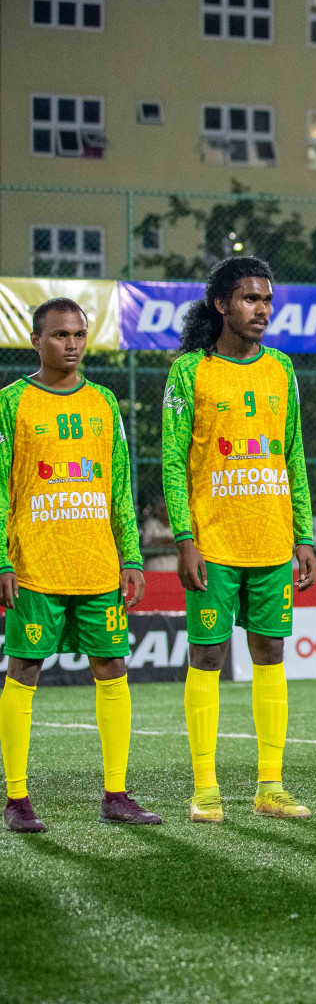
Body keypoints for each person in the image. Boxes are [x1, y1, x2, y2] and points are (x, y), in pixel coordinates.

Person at [162, 255, 316, 822]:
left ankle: (269, 787)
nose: (263, 310)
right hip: (214, 543)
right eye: (251, 299)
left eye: (268, 300)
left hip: (273, 541)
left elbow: (294, 454)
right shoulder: (190, 371)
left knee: (271, 653)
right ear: (222, 304)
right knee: (206, 654)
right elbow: (174, 461)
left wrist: (303, 531)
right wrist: (185, 536)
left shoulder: (281, 368)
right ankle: (205, 788)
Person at [0, 298, 158, 833]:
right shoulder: (12, 403)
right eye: (61, 334)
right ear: (36, 339)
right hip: (35, 567)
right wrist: (2, 558)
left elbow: (118, 487)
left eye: (79, 334)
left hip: (96, 566)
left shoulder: (105, 402)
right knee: (24, 671)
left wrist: (130, 555)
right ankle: (17, 799)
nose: (72, 343)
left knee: (112, 670)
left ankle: (117, 793)